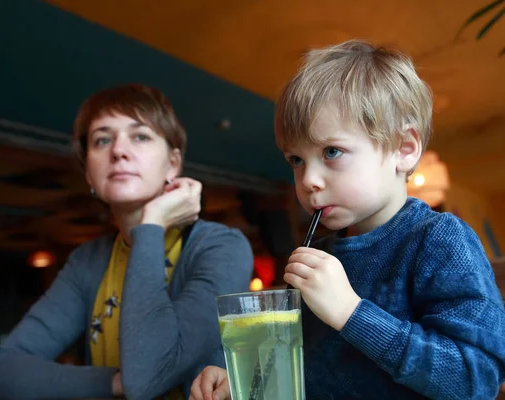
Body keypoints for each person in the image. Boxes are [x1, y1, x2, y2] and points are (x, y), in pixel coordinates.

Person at [189, 40, 505, 400]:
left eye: (332, 152)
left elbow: (475, 379)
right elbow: (305, 368)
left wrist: (350, 312)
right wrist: (244, 380)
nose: (309, 180)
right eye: (296, 160)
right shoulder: (317, 255)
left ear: (404, 148)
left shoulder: (439, 239)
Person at [0, 84, 254, 399]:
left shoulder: (220, 247)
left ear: (173, 164)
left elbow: (148, 378)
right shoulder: (88, 261)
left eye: (140, 136)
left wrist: (151, 223)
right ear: (88, 174)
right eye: (102, 139)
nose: (119, 150)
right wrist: (117, 383)